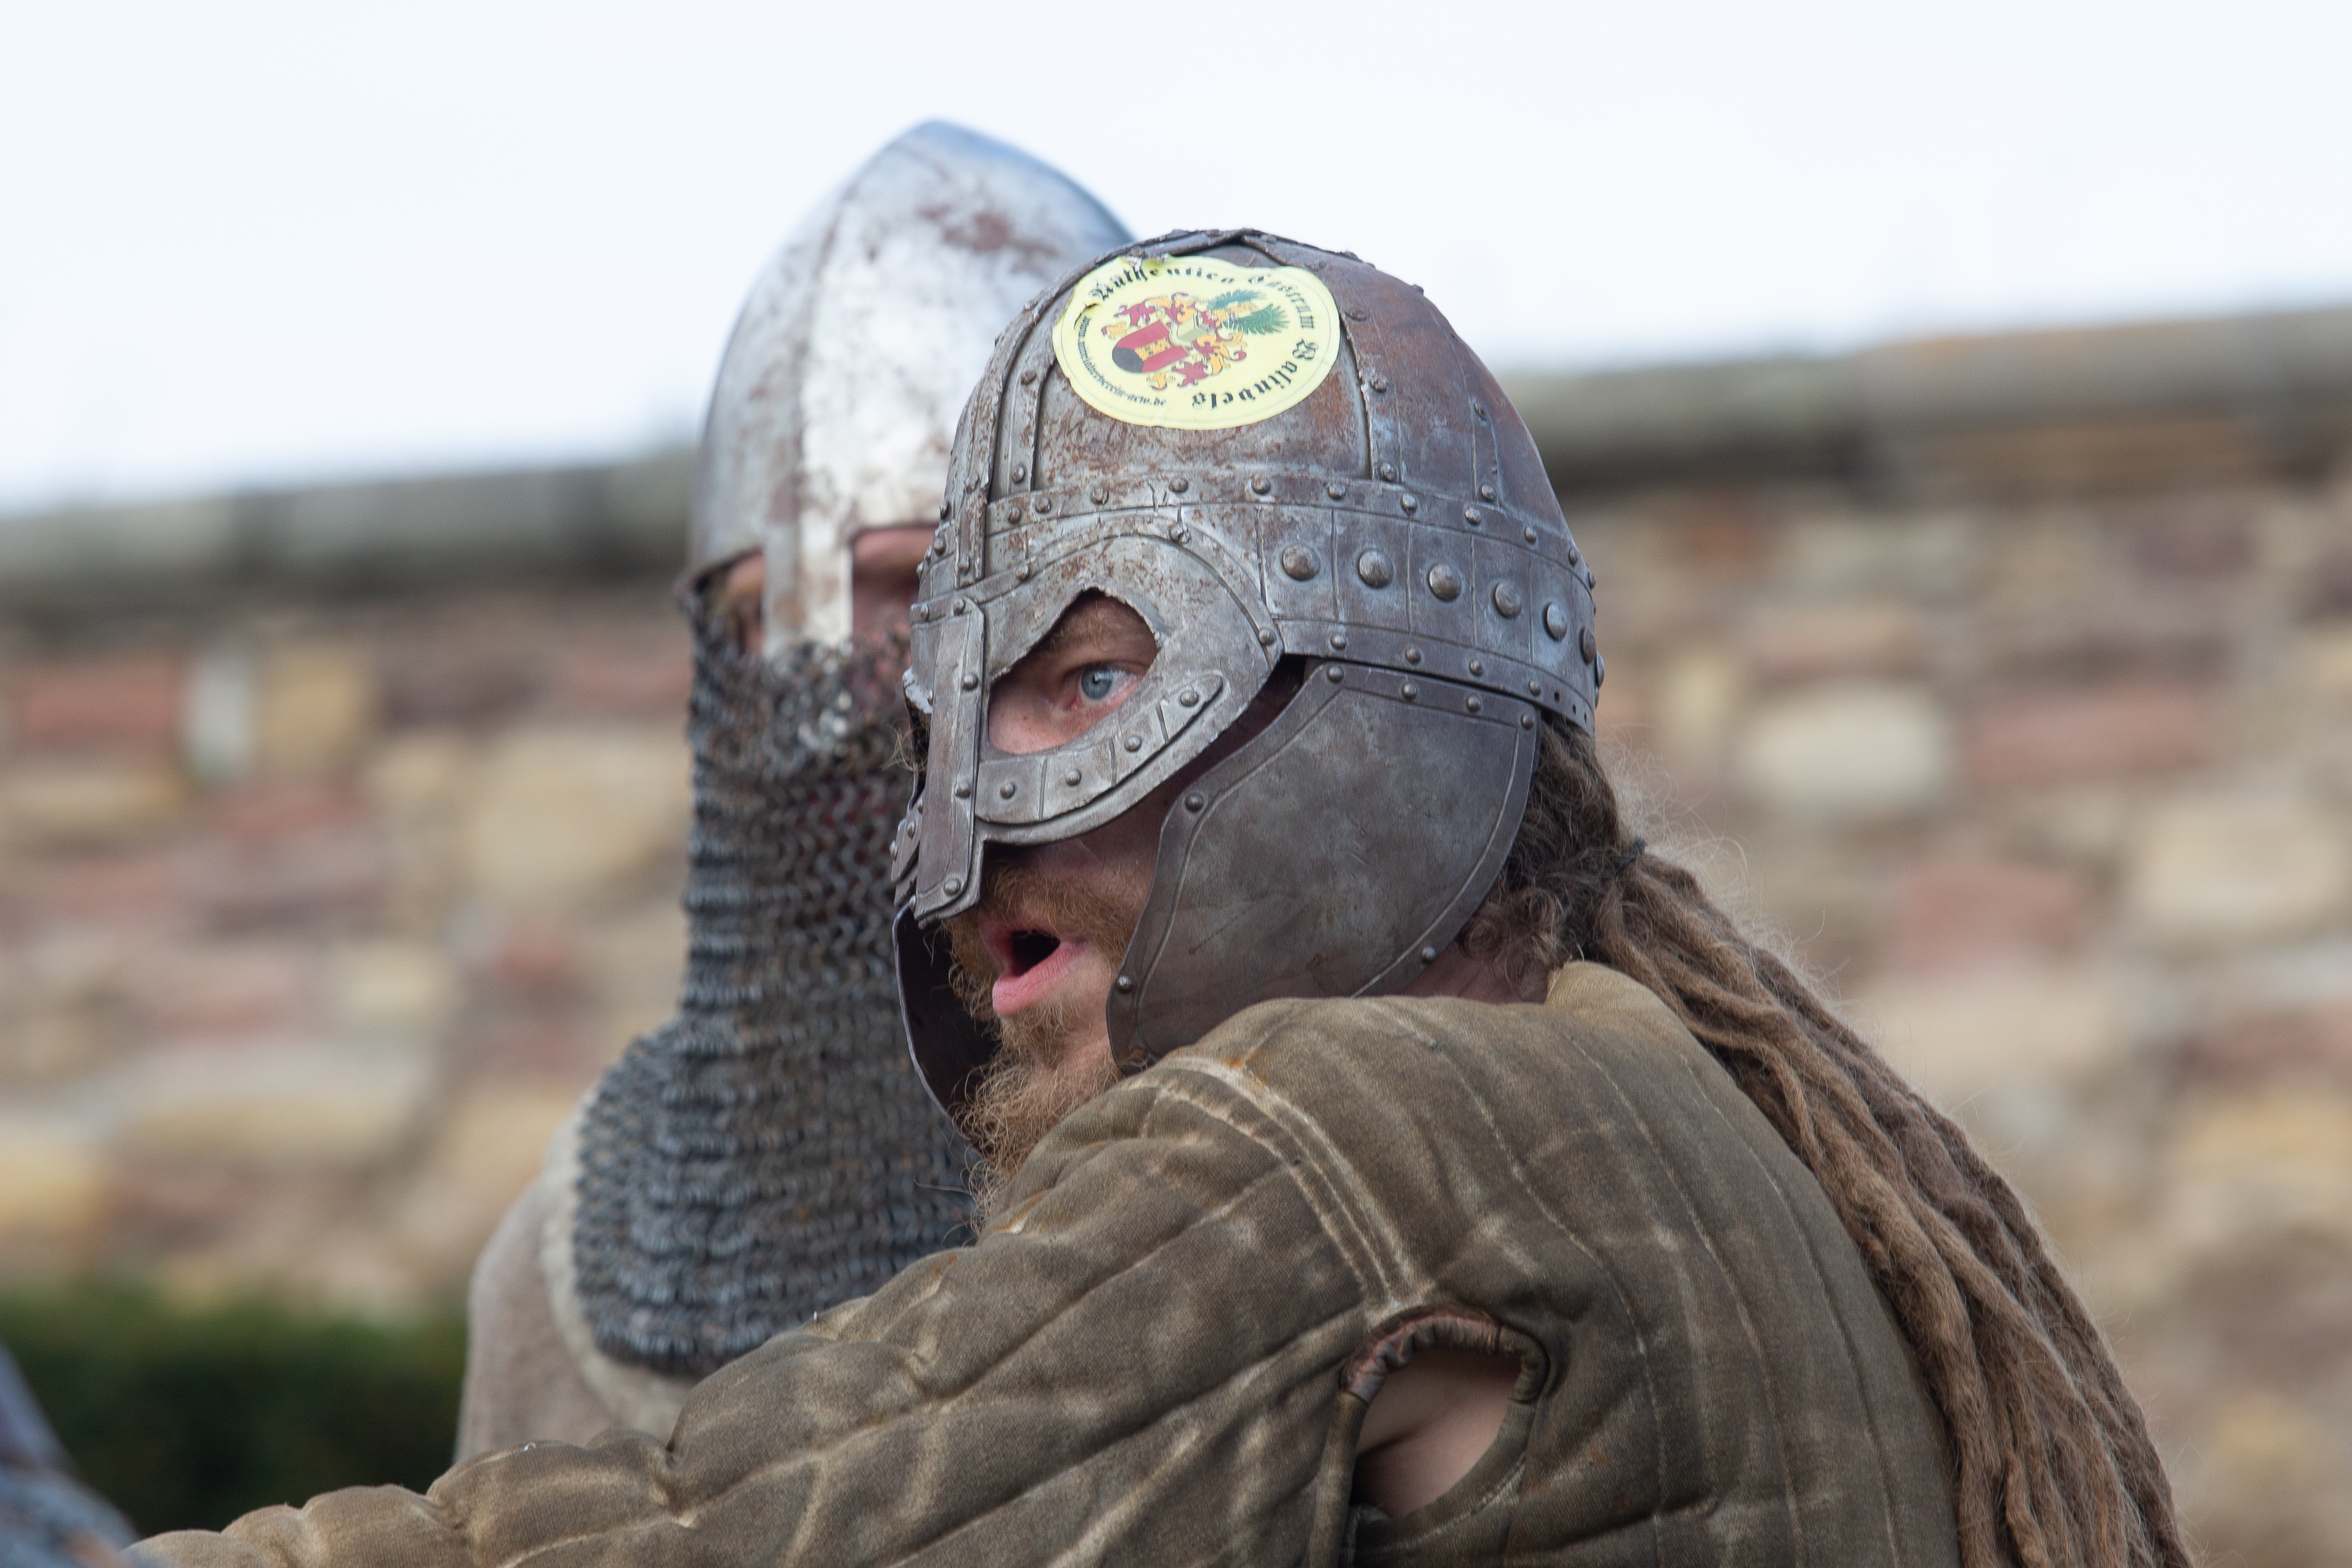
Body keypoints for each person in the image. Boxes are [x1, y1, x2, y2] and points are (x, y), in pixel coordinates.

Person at [138, 233, 2187, 1568]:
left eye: (1097, 682)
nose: (972, 831)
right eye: (962, 714)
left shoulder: (1340, 1133)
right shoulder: (1687, 1104)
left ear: (1371, 718)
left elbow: (729, 1534)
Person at [454, 121, 1128, 1455]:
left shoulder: (1296, 1102)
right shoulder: (579, 1256)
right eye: (764, 618)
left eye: (905, 583)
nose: (821, 688)